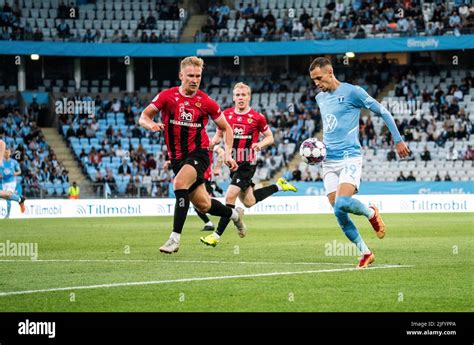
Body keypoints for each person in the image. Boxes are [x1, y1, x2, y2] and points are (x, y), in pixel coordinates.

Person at [309, 57, 410, 269]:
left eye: (319, 78)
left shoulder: (353, 92)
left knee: (342, 202)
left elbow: (382, 111)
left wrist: (398, 139)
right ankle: (365, 252)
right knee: (338, 211)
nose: (316, 83)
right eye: (313, 80)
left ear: (330, 72)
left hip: (349, 157)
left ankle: (371, 213)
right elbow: (331, 126)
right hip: (328, 161)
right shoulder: (320, 98)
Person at [138, 56, 245, 254]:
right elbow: (143, 117)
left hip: (200, 154)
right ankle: (235, 215)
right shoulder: (166, 97)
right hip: (178, 159)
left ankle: (174, 239)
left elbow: (226, 128)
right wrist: (151, 125)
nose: (194, 80)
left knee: (178, 184)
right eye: (190, 76)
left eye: (198, 76)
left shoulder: (206, 102)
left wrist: (228, 155)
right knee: (203, 205)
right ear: (181, 75)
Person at [200, 82, 297, 247]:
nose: (240, 98)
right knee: (248, 202)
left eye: (243, 95)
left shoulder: (257, 117)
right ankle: (279, 186)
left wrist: (260, 144)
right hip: (232, 163)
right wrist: (211, 143)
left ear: (249, 97)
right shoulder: (226, 115)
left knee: (230, 196)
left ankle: (216, 236)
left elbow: (270, 137)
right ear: (233, 97)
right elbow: (218, 135)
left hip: (247, 163)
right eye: (237, 95)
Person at [0, 148, 26, 217]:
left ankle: (8, 215)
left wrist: (15, 173)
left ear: (10, 153)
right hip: (3, 182)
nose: (6, 154)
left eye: (8, 152)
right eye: (5, 152)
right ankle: (19, 198)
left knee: (7, 198)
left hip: (11, 182)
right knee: (6, 196)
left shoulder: (14, 162)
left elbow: (19, 171)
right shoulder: (1, 162)